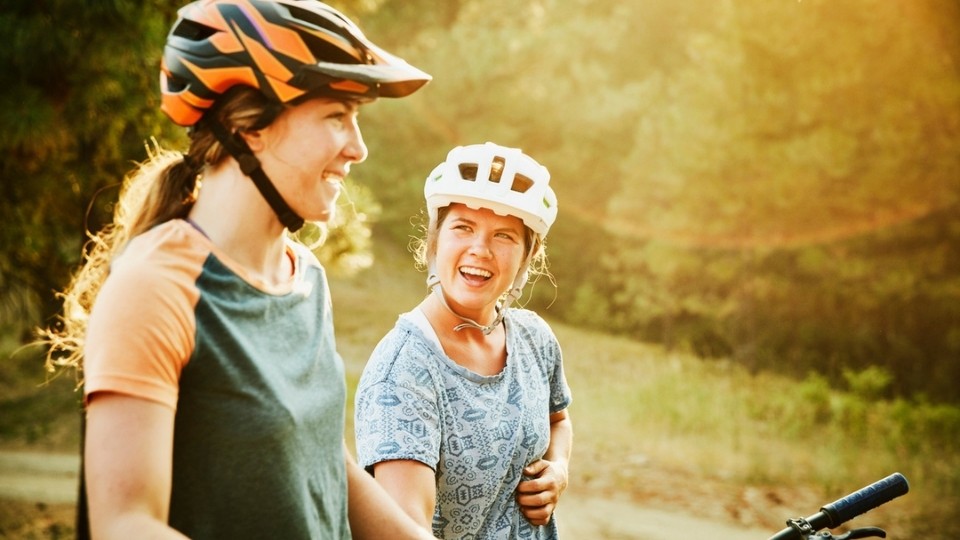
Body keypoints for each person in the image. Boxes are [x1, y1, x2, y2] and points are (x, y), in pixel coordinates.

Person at [40, 1, 437, 538]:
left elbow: (326, 464)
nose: (358, 148)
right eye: (335, 117)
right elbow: (127, 523)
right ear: (248, 127)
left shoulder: (304, 277)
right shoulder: (158, 286)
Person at [354, 142, 574, 539]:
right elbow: (405, 532)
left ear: (527, 256)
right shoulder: (404, 372)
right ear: (435, 241)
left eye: (504, 235)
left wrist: (558, 468)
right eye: (463, 228)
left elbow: (558, 419)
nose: (480, 249)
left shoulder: (534, 339)